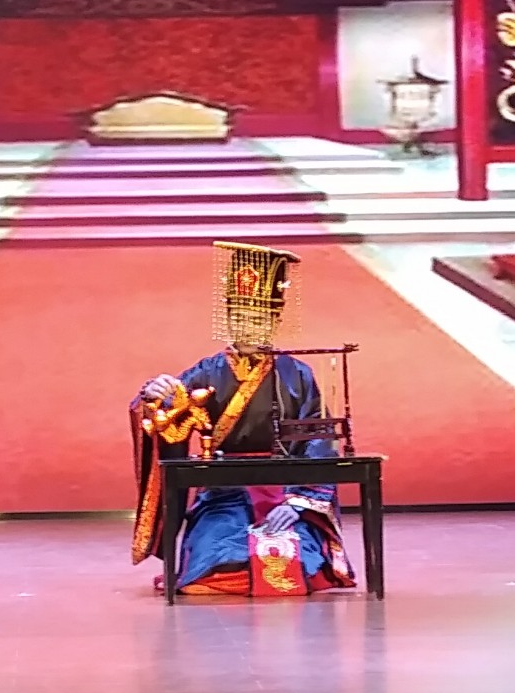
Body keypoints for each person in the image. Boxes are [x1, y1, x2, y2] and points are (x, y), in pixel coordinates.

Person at [129, 242, 356, 596]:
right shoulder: (207, 372)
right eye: (240, 318)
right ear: (228, 320)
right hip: (225, 492)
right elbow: (169, 414)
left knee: (302, 560)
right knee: (217, 559)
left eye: (259, 320)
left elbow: (319, 440)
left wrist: (299, 503)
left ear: (275, 322)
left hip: (285, 489)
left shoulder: (297, 375)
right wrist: (152, 398)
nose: (248, 329)